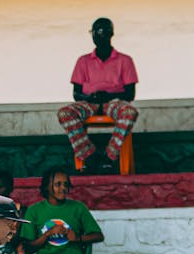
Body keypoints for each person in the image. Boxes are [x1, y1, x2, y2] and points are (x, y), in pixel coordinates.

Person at [57, 17, 138, 175]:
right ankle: (91, 156)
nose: (98, 36)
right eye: (95, 32)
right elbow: (76, 94)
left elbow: (130, 94)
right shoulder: (83, 61)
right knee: (64, 113)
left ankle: (109, 156)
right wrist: (91, 97)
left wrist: (108, 95)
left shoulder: (125, 60)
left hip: (114, 102)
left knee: (130, 112)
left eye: (102, 32)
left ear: (111, 34)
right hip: (89, 102)